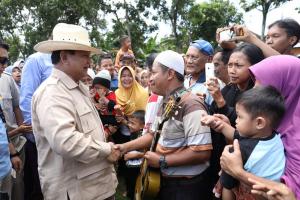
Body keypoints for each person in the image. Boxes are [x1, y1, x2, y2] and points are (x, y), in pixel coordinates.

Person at [31, 23, 119, 200]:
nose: (89, 62)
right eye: (84, 56)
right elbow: (66, 141)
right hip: (78, 192)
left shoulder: (78, 87)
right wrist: (106, 149)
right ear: (64, 57)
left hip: (95, 188)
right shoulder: (52, 92)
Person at [118, 50, 212, 200]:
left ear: (170, 74)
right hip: (167, 182)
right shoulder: (167, 101)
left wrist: (162, 161)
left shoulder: (191, 105)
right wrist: (123, 148)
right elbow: (153, 134)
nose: (149, 79)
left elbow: (201, 152)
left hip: (185, 188)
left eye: (154, 73)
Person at [219, 55, 300, 199]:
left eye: (262, 82)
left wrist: (238, 173)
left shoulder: (296, 139)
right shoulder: (278, 123)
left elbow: (289, 194)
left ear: (286, 84)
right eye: (255, 81)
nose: (255, 87)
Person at [202, 86, 286, 199]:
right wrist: (221, 125)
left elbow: (227, 186)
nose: (235, 121)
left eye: (240, 117)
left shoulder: (239, 151)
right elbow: (236, 134)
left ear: (259, 123)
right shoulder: (275, 137)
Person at [20, 51, 53, 200]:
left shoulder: (67, 62)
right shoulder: (37, 60)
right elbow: (27, 97)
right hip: (40, 138)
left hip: (57, 135)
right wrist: (35, 134)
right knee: (39, 185)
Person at [0, 40, 27, 200]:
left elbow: (15, 108)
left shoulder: (7, 79)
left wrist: (13, 152)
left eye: (5, 61)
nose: (3, 65)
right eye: (0, 60)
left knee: (15, 187)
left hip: (11, 148)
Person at [219, 18, 300, 57]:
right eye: (267, 37)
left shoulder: (296, 63)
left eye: (275, 36)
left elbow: (282, 62)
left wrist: (251, 38)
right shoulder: (262, 58)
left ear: (292, 40)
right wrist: (228, 45)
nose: (269, 41)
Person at [184, 39, 215, 105]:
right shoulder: (184, 81)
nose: (189, 61)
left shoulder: (213, 85)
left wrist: (203, 105)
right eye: (187, 56)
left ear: (209, 59)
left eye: (194, 57)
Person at [123, 110, 145, 200]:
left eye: (133, 123)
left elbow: (147, 152)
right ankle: (129, 191)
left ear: (142, 126)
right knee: (128, 178)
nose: (129, 125)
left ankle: (133, 193)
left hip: (137, 167)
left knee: (134, 182)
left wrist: (135, 155)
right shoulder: (134, 132)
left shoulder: (143, 137)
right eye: (129, 122)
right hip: (130, 163)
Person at [92, 70, 118, 140]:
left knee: (106, 136)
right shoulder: (96, 95)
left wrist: (103, 97)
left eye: (98, 88)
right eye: (95, 87)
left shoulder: (111, 94)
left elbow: (113, 106)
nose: (96, 90)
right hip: (102, 120)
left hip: (112, 120)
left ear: (106, 88)